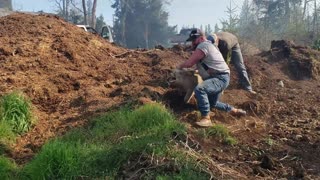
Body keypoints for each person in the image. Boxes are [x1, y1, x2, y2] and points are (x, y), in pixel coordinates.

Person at [177, 28, 246, 127]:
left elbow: (189, 63)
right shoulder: (209, 46)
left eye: (193, 40)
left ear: (200, 38)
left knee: (200, 89)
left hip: (219, 78)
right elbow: (202, 66)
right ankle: (234, 110)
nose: (192, 43)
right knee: (212, 103)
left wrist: (178, 68)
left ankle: (206, 118)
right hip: (221, 77)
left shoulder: (203, 45)